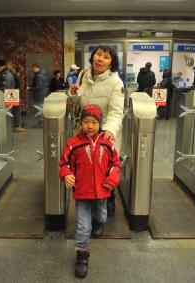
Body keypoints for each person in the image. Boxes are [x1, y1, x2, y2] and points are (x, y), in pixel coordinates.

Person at [59, 104, 121, 279]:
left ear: (100, 123)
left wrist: (112, 179)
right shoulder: (73, 145)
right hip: (82, 194)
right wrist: (66, 175)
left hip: (102, 192)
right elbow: (65, 163)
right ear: (80, 123)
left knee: (101, 216)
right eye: (86, 122)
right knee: (83, 227)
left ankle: (99, 222)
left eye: (94, 122)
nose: (89, 126)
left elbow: (115, 164)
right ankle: (82, 255)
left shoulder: (107, 144)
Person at [69, 45, 124, 217]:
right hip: (85, 130)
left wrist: (108, 130)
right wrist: (73, 94)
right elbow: (79, 100)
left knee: (105, 170)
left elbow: (116, 111)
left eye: (106, 57)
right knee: (86, 169)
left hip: (105, 133)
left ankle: (108, 203)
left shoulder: (116, 83)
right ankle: (86, 205)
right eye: (98, 55)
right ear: (92, 57)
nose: (100, 59)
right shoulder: (83, 75)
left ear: (111, 63)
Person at [7, 61, 26, 132]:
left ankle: (16, 125)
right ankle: (17, 125)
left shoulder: (10, 74)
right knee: (15, 110)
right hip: (14, 93)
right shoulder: (14, 74)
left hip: (12, 93)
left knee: (14, 110)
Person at [30, 63, 48, 128]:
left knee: (39, 109)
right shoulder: (41, 75)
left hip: (39, 95)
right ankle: (42, 123)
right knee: (41, 109)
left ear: (38, 68)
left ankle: (41, 123)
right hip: (42, 94)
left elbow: (38, 87)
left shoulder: (38, 76)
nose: (32, 69)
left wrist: (30, 88)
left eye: (34, 68)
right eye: (32, 68)